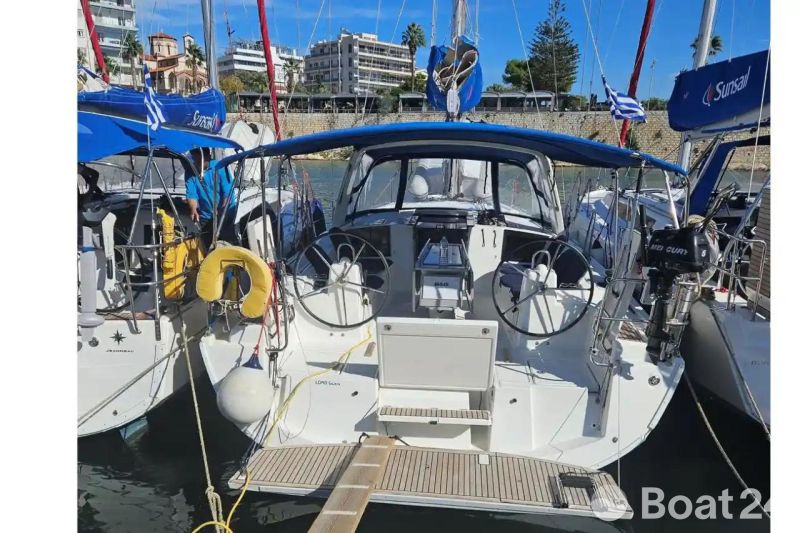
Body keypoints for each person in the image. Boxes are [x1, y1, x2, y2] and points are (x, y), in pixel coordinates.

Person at [186, 147, 240, 250]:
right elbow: (191, 194)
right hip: (206, 217)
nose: (197, 163)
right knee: (208, 248)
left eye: (199, 160)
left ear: (207, 156)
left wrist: (221, 214)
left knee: (228, 246)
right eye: (195, 159)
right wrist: (193, 209)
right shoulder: (190, 171)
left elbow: (227, 194)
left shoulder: (220, 167)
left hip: (226, 214)